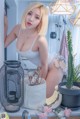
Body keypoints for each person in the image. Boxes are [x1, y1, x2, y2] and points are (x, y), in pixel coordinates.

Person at [4, 2, 66, 98]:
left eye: (37, 17)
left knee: (43, 96)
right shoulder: (17, 29)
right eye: (29, 13)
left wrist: (38, 86)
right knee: (34, 96)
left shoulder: (41, 40)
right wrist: (5, 25)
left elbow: (45, 65)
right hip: (41, 66)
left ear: (40, 22)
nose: (31, 19)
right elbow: (4, 44)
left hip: (55, 66)